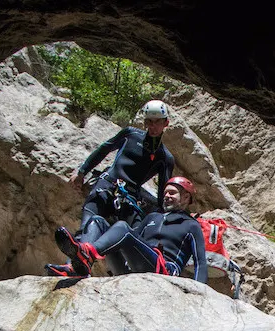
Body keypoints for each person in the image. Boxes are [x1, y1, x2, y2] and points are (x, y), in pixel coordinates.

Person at [45, 99, 176, 276]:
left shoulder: (165, 157)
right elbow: (104, 149)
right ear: (144, 122)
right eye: (149, 122)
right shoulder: (130, 134)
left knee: (134, 236)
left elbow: (162, 195)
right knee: (88, 225)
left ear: (165, 123)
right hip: (107, 185)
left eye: (157, 122)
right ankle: (73, 267)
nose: (152, 126)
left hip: (130, 199)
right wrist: (83, 171)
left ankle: (130, 272)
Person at [52, 177, 208, 283]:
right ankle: (77, 267)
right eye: (165, 192)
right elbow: (133, 241)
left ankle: (87, 253)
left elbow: (200, 262)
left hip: (163, 271)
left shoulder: (191, 225)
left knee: (123, 228)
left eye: (172, 193)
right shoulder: (152, 217)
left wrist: (200, 293)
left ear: (186, 198)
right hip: (133, 267)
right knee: (97, 221)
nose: (166, 196)